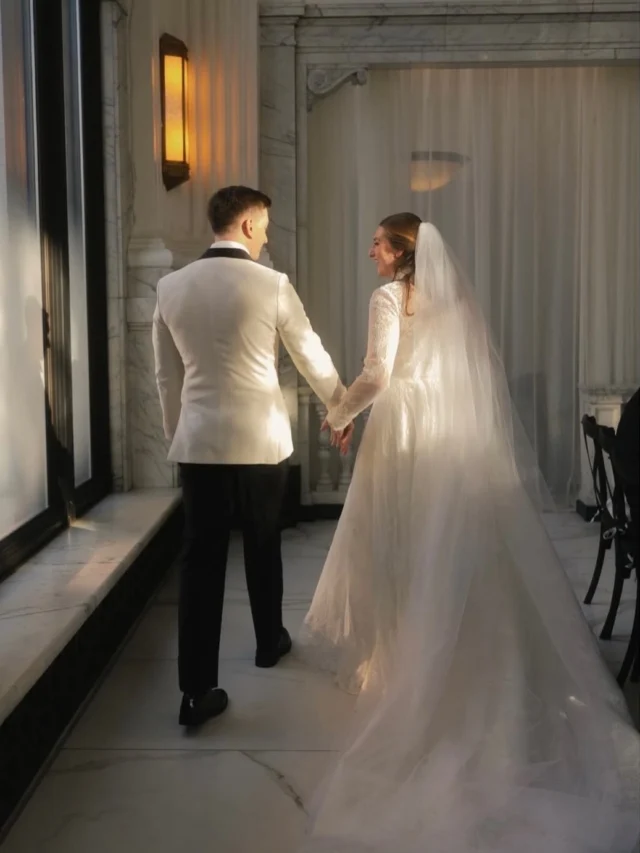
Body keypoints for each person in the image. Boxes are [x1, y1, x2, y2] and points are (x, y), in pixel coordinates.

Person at [297, 215, 640, 852]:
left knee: (401, 542)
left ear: (400, 251)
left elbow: (377, 373)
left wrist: (337, 414)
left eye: (377, 241)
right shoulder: (456, 300)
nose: (368, 249)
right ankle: (445, 641)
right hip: (453, 431)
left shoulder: (388, 298)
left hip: (404, 430)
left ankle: (405, 662)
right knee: (448, 546)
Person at [152, 186, 349, 728]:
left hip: (199, 442)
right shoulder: (272, 285)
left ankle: (195, 692)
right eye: (263, 226)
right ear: (245, 225)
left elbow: (165, 375)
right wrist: (341, 408)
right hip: (261, 441)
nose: (266, 236)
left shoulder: (170, 286)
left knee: (200, 560)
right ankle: (268, 641)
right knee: (264, 543)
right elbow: (309, 352)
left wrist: (181, 434)